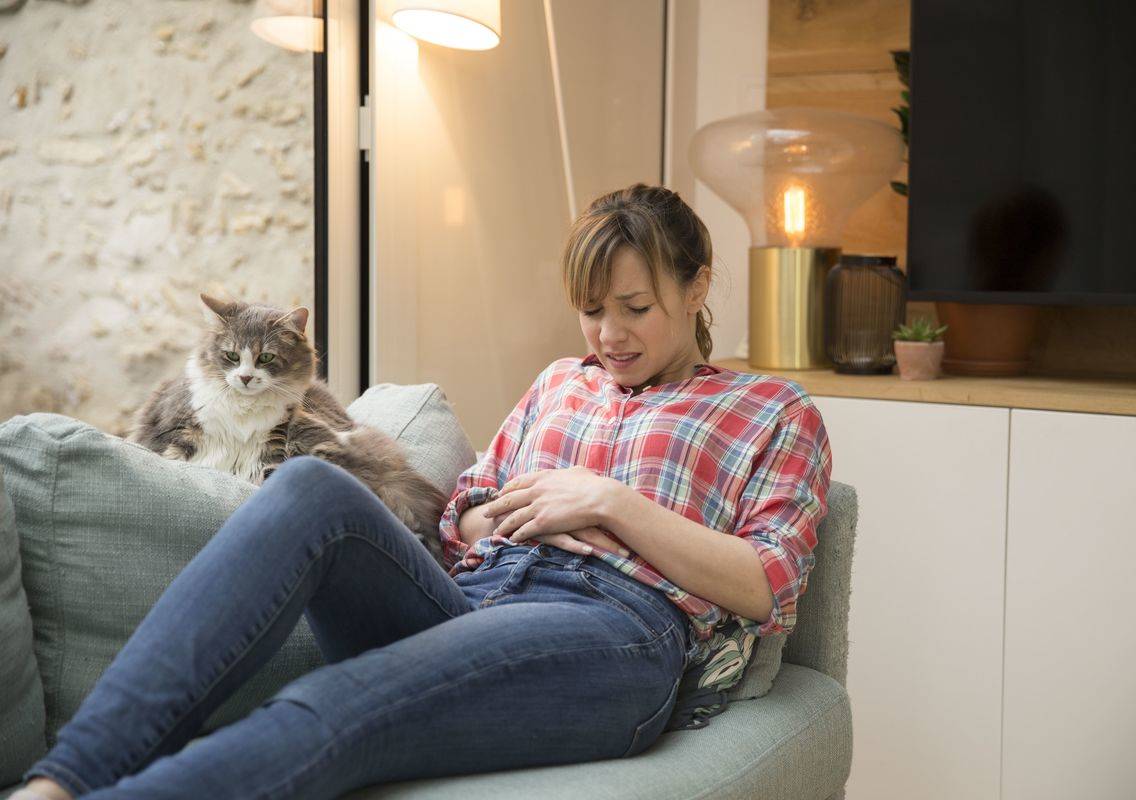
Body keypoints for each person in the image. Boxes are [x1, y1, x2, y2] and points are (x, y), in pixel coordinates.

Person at [15, 183, 832, 800]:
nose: (608, 335)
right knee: (307, 488)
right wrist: (493, 515)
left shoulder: (771, 410)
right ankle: (58, 782)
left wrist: (609, 501)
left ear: (698, 288)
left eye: (636, 308)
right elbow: (461, 511)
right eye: (590, 311)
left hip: (613, 631)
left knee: (332, 701)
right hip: (469, 596)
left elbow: (767, 584)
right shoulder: (560, 383)